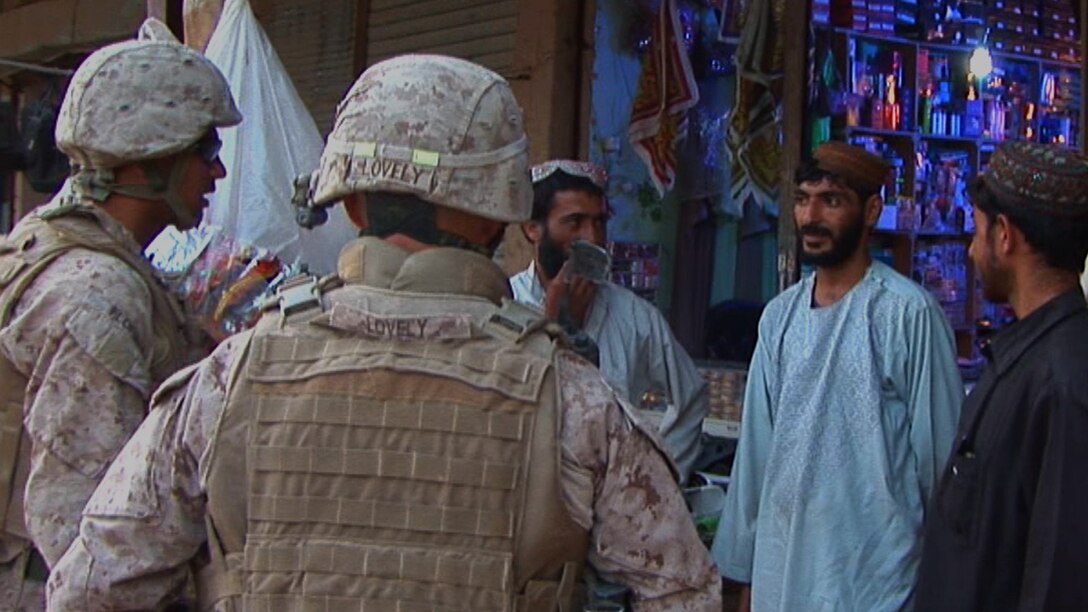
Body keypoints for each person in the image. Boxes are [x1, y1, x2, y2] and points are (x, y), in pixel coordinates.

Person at [47, 55, 721, 612]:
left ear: (350, 199)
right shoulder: (573, 399)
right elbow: (682, 592)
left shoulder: (231, 377)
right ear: (497, 215)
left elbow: (92, 589)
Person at [0, 20, 240, 610]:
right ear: (148, 158)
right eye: (204, 151)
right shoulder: (95, 295)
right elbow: (83, 523)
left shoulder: (54, 246)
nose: (218, 173)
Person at [711, 141, 964, 611]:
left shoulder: (907, 314)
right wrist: (746, 574)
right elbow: (757, 456)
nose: (810, 217)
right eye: (803, 199)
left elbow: (939, 461)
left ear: (871, 211)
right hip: (783, 571)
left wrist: (944, 578)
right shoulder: (779, 317)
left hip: (877, 580)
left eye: (831, 201)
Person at [915, 141, 1088, 611]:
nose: (971, 251)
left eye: (976, 231)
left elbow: (1057, 577)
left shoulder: (1063, 379)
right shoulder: (1024, 359)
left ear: (1005, 236)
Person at [510, 160, 709, 481]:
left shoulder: (634, 315)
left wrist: (656, 479)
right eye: (574, 222)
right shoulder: (507, 301)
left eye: (600, 222)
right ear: (533, 227)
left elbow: (691, 397)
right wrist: (559, 325)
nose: (592, 237)